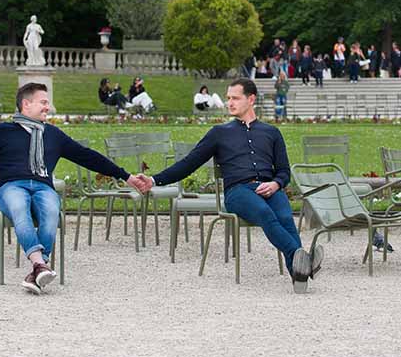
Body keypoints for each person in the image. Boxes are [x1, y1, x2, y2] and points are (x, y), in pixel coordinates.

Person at [130, 78, 321, 292]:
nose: (229, 102)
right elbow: (188, 163)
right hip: (238, 192)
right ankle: (306, 260)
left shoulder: (271, 132)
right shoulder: (219, 133)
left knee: (286, 217)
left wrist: (276, 184)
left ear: (251, 99)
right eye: (228, 98)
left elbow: (284, 171)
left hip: (270, 188)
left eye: (235, 98)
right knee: (265, 214)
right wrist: (155, 180)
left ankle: (299, 275)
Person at [0, 82, 135, 294]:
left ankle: (38, 268)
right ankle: (40, 265)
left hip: (43, 187)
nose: (47, 107)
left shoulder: (52, 134)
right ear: (26, 104)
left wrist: (125, 176)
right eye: (43, 102)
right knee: (19, 206)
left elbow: (87, 156)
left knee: (51, 211)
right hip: (11, 187)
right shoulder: (2, 131)